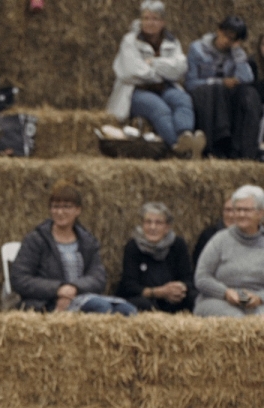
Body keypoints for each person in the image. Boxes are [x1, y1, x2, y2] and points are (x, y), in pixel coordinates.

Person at [10, 181, 137, 315]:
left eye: (66, 207)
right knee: (100, 307)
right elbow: (20, 278)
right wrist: (58, 289)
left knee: (128, 310)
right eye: (55, 207)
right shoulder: (36, 239)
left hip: (80, 295)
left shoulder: (87, 241)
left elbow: (98, 277)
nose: (60, 212)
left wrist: (74, 288)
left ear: (78, 210)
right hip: (46, 301)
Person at [107, 1, 204, 159]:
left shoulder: (172, 42)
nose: (150, 22)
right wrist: (163, 72)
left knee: (183, 100)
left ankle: (185, 136)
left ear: (163, 22)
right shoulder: (130, 41)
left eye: (155, 19)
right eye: (146, 18)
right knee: (159, 108)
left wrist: (153, 63)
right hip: (137, 90)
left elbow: (180, 68)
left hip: (165, 88)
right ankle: (178, 147)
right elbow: (131, 71)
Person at [185, 15, 261, 160]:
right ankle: (218, 144)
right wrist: (219, 82)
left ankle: (245, 151)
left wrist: (237, 52)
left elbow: (247, 78)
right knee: (215, 90)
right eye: (226, 35)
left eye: (233, 39)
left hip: (227, 101)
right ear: (219, 30)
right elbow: (190, 83)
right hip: (204, 96)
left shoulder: (235, 53)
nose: (227, 41)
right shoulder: (197, 49)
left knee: (250, 94)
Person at [194, 185, 264, 317]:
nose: (241, 214)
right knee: (237, 321)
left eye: (247, 210)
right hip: (218, 300)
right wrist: (225, 292)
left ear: (260, 213)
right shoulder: (219, 240)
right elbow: (202, 277)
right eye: (238, 209)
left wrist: (260, 298)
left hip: (257, 303)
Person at [116, 202, 196, 313]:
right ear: (142, 225)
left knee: (193, 298)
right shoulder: (133, 246)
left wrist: (179, 287)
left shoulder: (178, 244)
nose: (152, 227)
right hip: (145, 298)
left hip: (173, 298)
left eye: (158, 223)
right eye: (148, 222)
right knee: (143, 305)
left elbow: (188, 278)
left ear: (167, 227)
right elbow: (129, 286)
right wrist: (159, 292)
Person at [192, 193, 237, 266]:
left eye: (235, 210)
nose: (230, 215)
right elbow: (199, 264)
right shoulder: (208, 236)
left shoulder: (251, 237)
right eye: (227, 210)